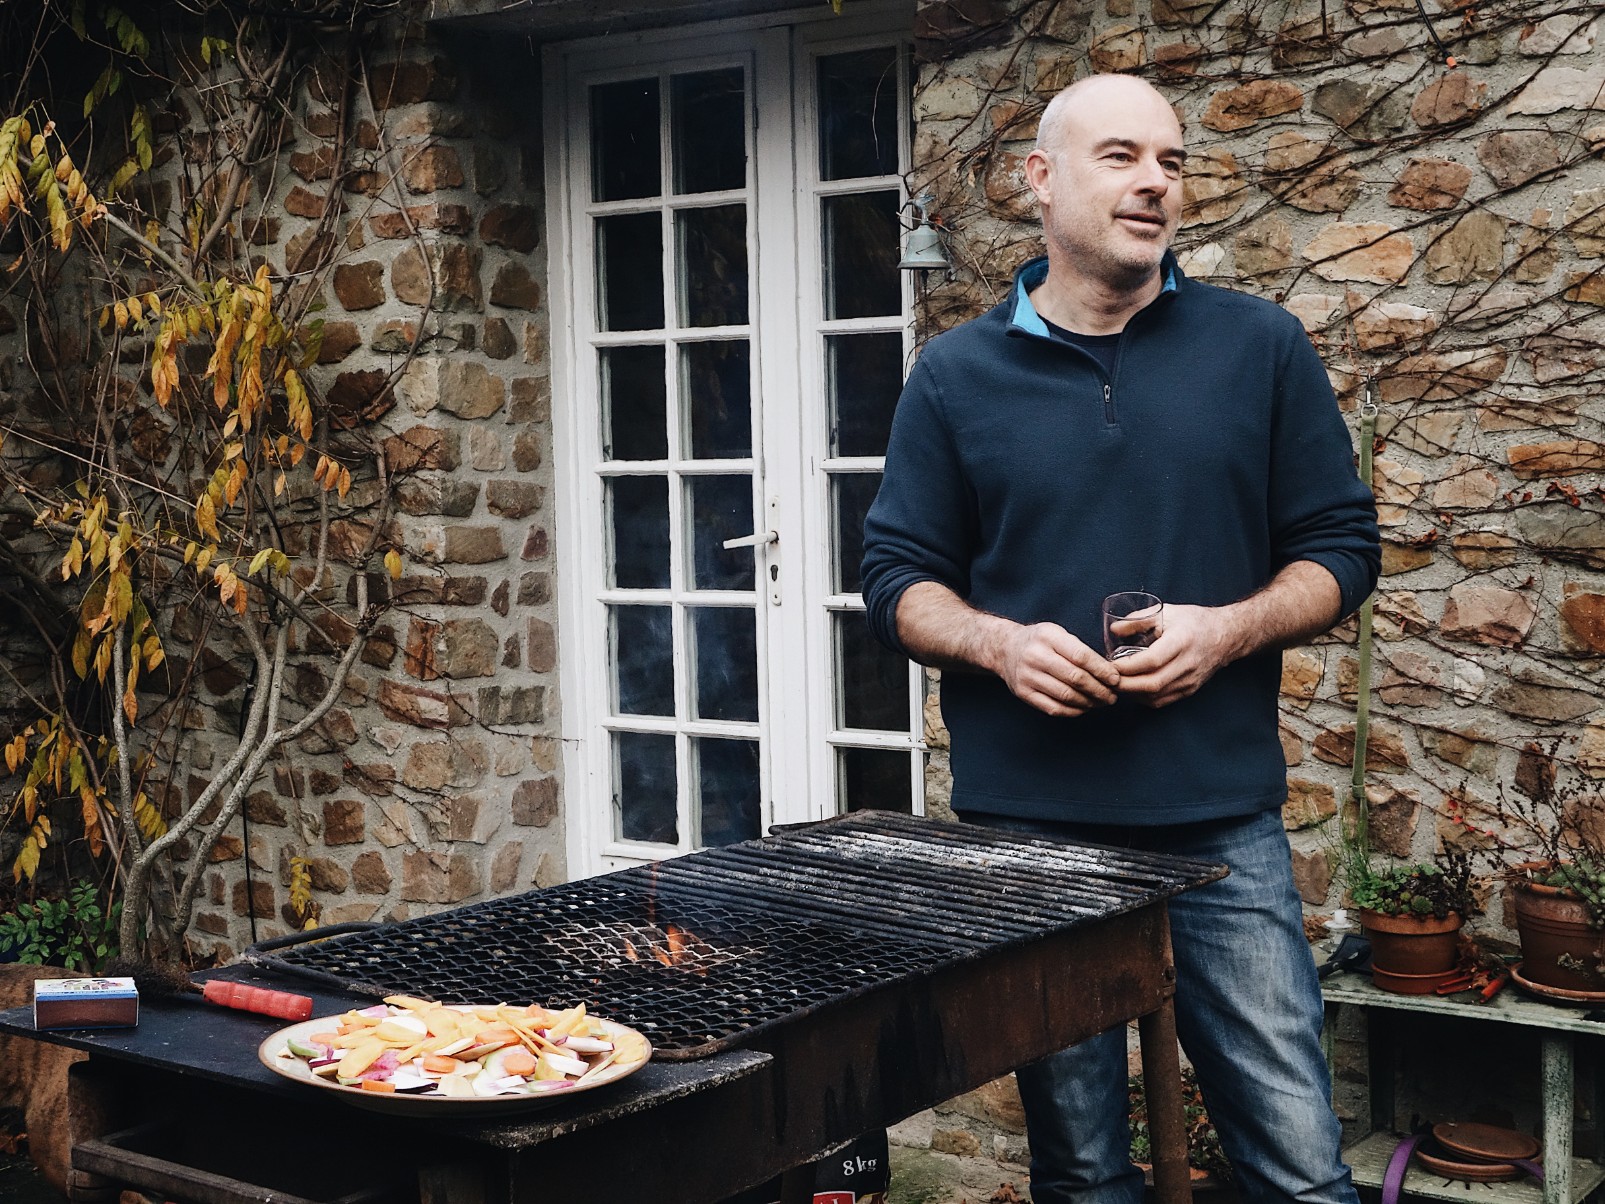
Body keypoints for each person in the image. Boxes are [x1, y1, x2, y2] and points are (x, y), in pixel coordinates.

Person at [861, 74, 1380, 1204]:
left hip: (1220, 824)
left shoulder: (1261, 346)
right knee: (1085, 1175)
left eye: (1173, 161)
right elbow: (895, 581)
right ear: (1038, 182)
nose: (1155, 182)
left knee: (1299, 1169)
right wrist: (998, 645)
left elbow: (1342, 549)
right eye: (1121, 156)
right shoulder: (953, 375)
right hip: (1032, 837)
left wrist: (1230, 628)